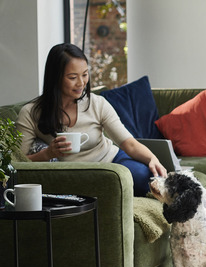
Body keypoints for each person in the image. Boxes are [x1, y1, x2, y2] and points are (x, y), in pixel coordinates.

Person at [16, 43, 166, 196]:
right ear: (55, 77)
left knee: (143, 177)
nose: (81, 83)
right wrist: (47, 154)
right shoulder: (31, 113)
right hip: (73, 175)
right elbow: (18, 163)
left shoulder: (96, 103)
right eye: (73, 77)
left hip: (111, 162)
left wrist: (152, 159)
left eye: (85, 74)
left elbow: (129, 143)